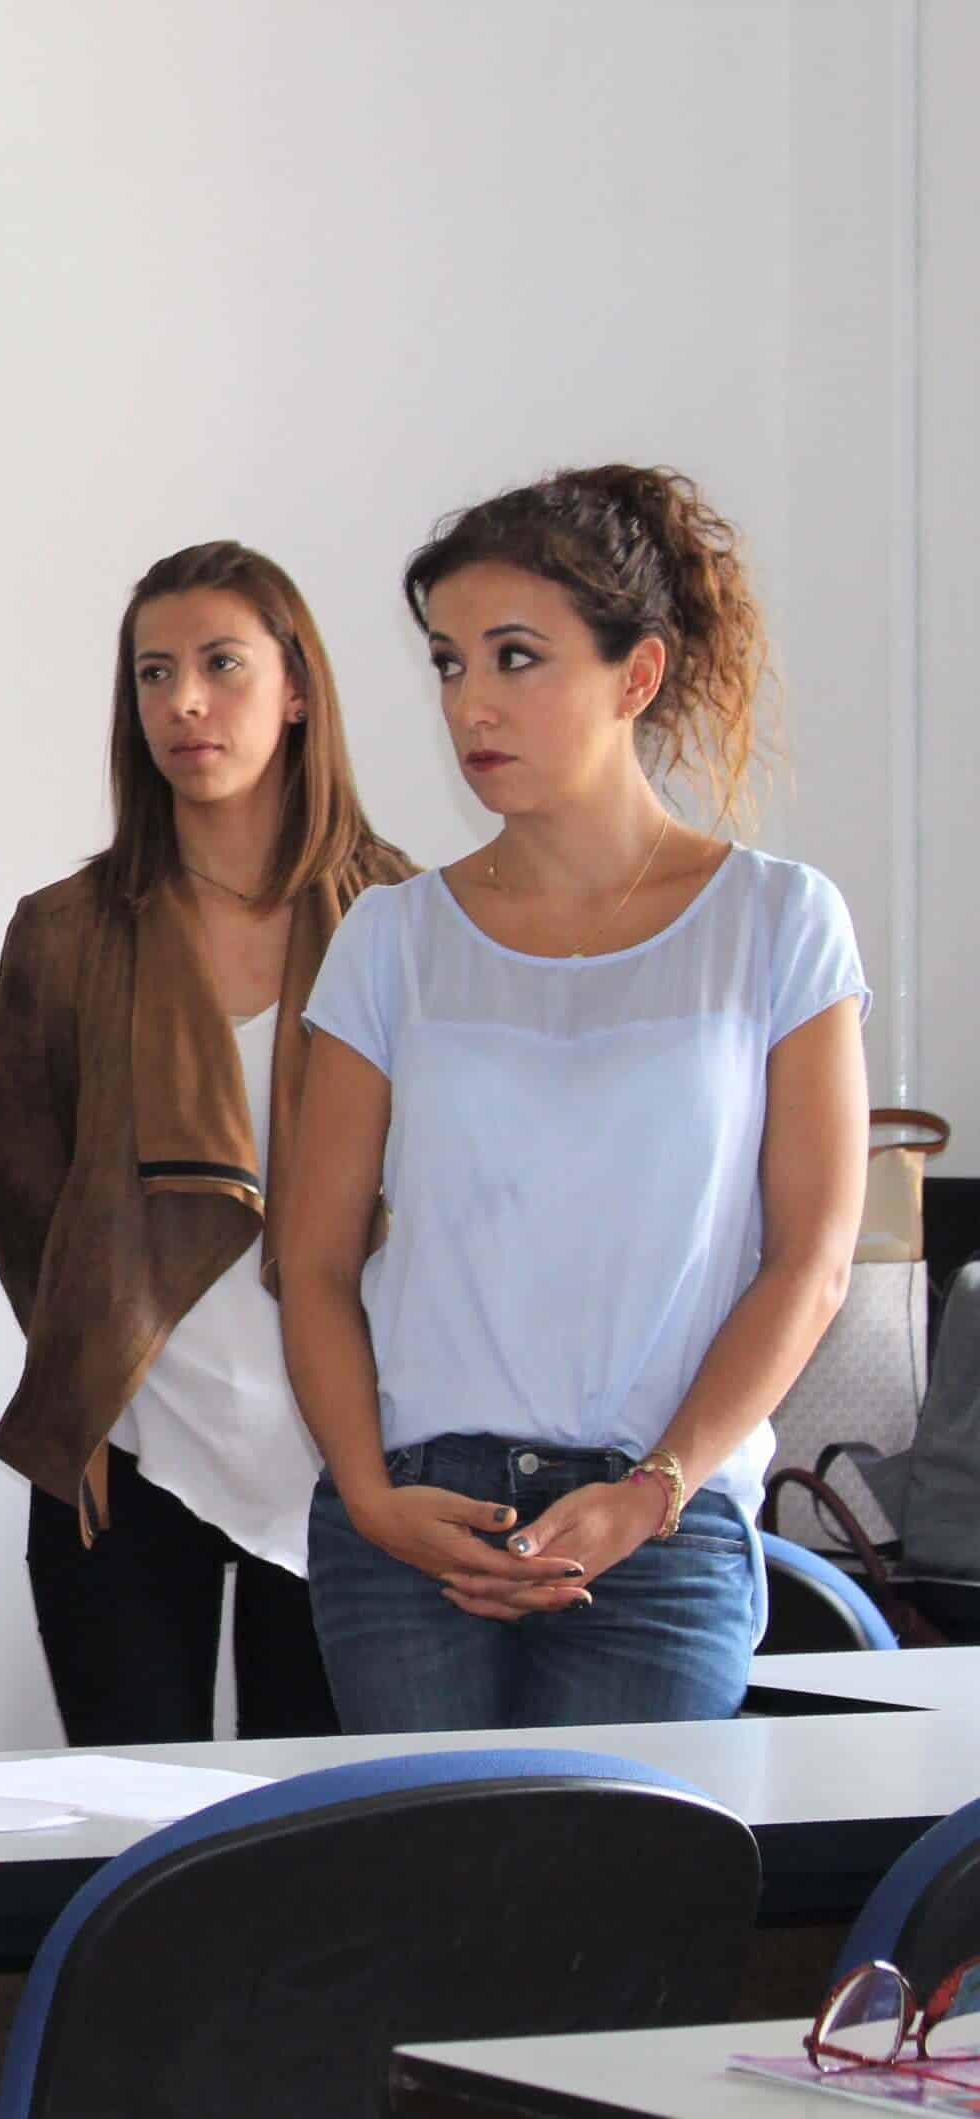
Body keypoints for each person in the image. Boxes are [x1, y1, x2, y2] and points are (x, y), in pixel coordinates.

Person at [283, 465, 869, 1732]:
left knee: (624, 1865)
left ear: (636, 674)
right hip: (417, 1520)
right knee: (421, 1865)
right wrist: (370, 1496)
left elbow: (812, 1261)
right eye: (449, 664)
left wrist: (655, 1490)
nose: (471, 703)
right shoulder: (389, 937)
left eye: (516, 657)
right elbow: (312, 1260)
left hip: (663, 1524)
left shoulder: (778, 921)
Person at [0, 543, 410, 1744]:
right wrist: (88, 1373)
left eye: (222, 665)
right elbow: (25, 1199)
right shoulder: (65, 930)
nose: (183, 702)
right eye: (153, 673)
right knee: (133, 1823)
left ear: (297, 689)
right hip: (128, 1447)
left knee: (321, 1825)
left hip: (350, 1456)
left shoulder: (402, 920)